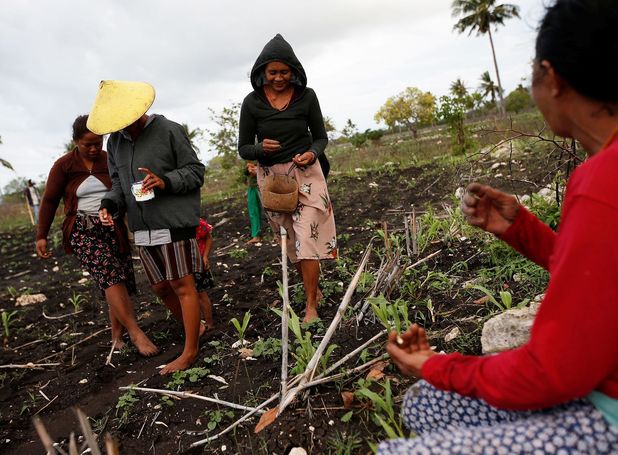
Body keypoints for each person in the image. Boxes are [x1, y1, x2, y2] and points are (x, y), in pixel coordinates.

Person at [378, 1, 618, 453]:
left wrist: (437, 365)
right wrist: (521, 229)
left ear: (553, 76)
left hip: (603, 413)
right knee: (425, 404)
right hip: (595, 381)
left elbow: (550, 372)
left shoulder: (601, 181)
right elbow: (599, 277)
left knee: (402, 447)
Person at [88, 80, 206, 374]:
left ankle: (190, 351)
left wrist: (164, 181)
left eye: (125, 120)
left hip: (173, 221)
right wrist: (109, 205)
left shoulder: (168, 130)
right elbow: (118, 185)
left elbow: (195, 172)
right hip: (142, 226)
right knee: (160, 286)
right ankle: (197, 328)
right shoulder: (115, 142)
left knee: (182, 284)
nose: (122, 127)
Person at [35, 115, 158, 357]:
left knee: (116, 279)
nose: (93, 149)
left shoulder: (108, 158)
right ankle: (136, 333)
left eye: (97, 143)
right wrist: (42, 235)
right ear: (75, 141)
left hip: (113, 227)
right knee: (110, 276)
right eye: (86, 144)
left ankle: (116, 336)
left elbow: (122, 188)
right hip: (83, 229)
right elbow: (49, 200)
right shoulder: (64, 166)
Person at [238, 34, 337, 323]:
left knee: (307, 235)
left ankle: (310, 306)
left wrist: (311, 153)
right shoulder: (252, 103)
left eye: (284, 72)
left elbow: (320, 138)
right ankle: (312, 290)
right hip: (272, 179)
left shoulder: (307, 97)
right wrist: (259, 149)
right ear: (262, 73)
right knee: (292, 240)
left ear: (294, 71)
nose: (279, 78)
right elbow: (244, 147)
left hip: (305, 172)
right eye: (273, 72)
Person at [195, 217, 215, 330]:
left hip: (198, 263)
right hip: (186, 263)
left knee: (200, 293)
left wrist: (205, 256)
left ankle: (209, 322)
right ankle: (200, 320)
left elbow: (208, 238)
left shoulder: (197, 222)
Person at [245, 162, 263, 244]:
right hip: (252, 187)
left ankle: (277, 234)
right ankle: (256, 236)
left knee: (270, 210)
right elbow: (245, 173)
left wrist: (257, 170)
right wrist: (248, 169)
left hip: (263, 185)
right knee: (253, 212)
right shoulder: (247, 153)